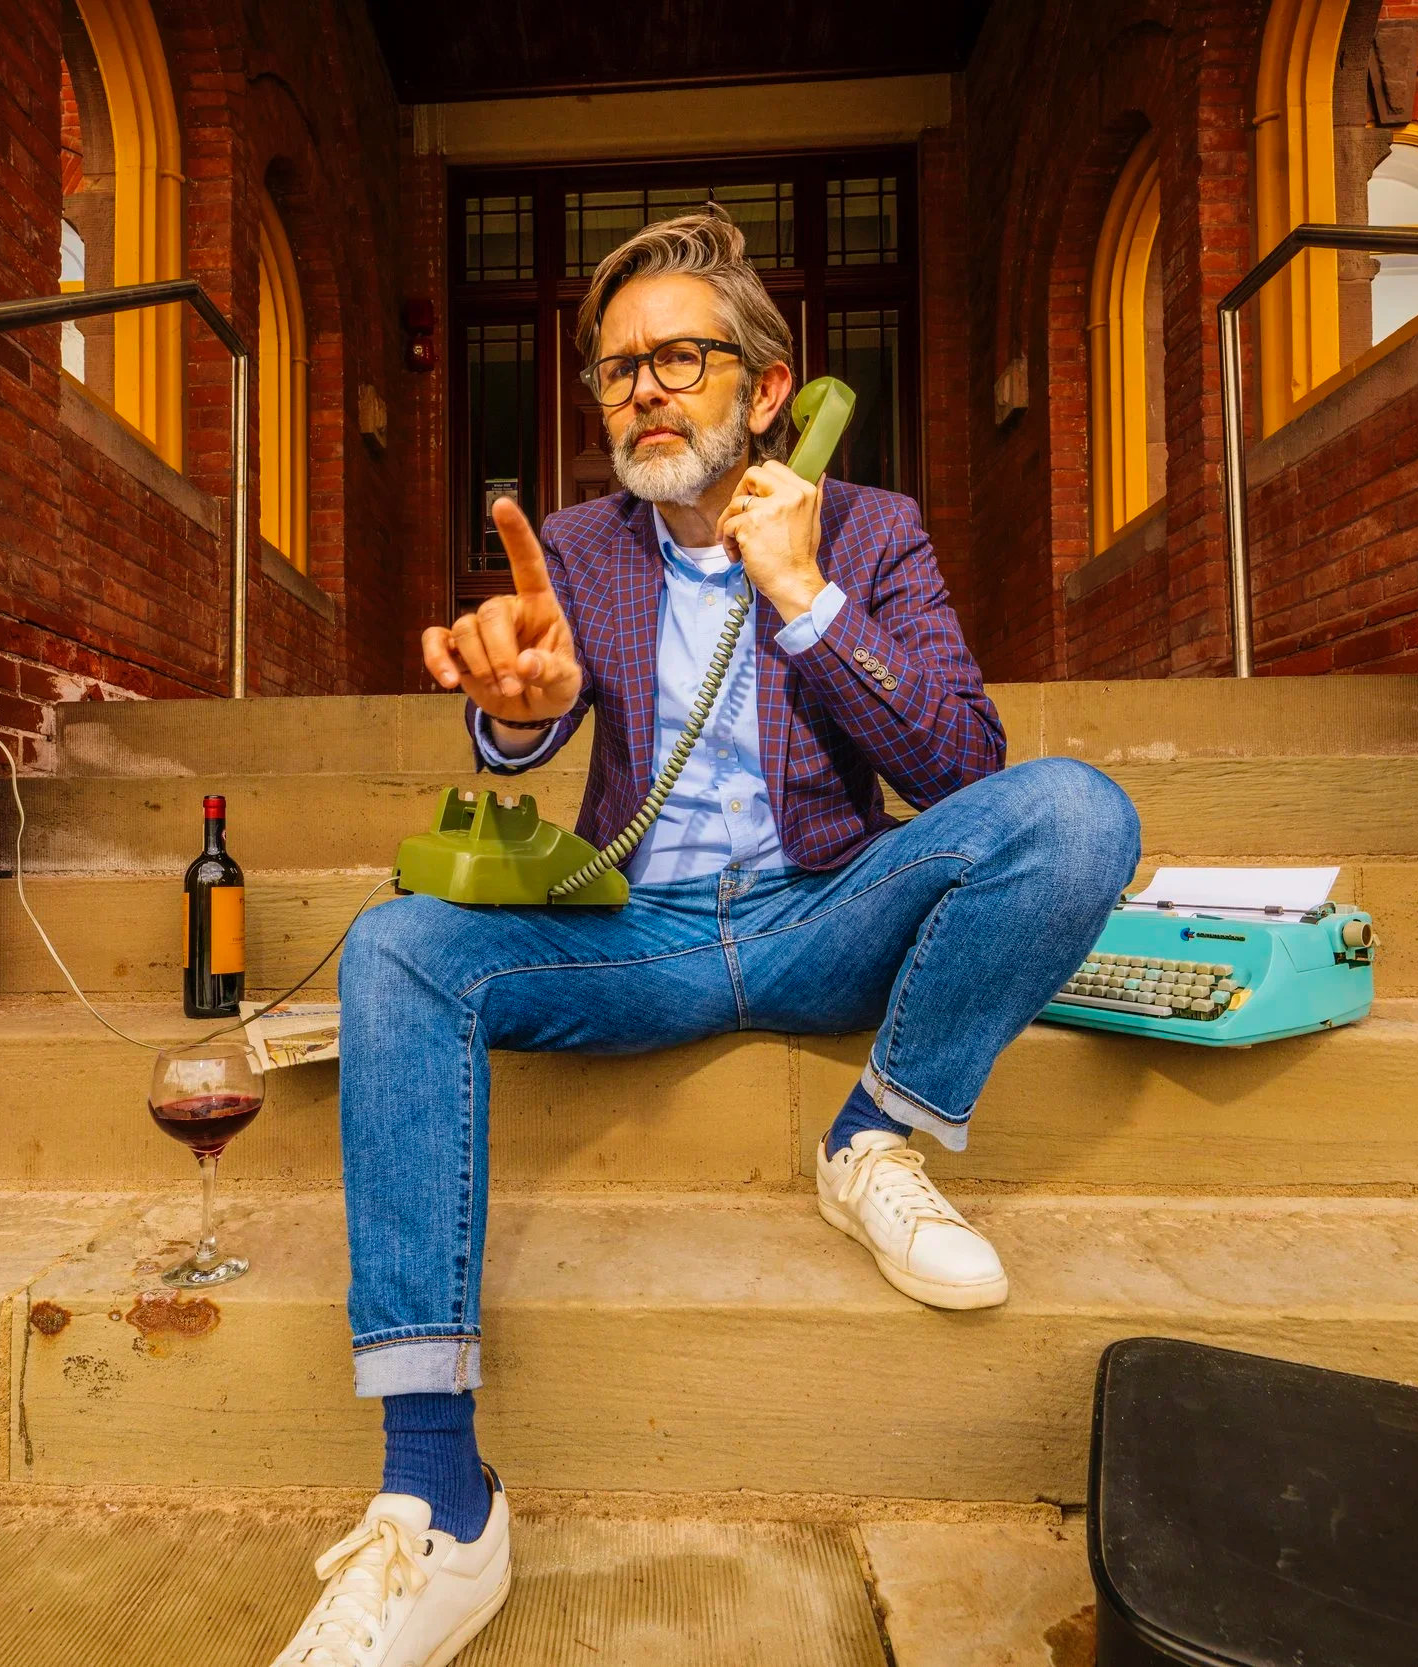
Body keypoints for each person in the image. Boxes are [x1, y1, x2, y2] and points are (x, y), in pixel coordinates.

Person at [267, 206, 1140, 1667]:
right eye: (617, 369)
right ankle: (439, 1495)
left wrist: (803, 595)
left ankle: (878, 1134)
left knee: (1075, 814)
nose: (645, 390)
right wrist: (516, 712)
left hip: (826, 911)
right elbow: (522, 691)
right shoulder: (582, 543)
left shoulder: (874, 529)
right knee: (395, 946)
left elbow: (964, 770)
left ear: (770, 389)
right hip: (644, 932)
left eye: (680, 355)